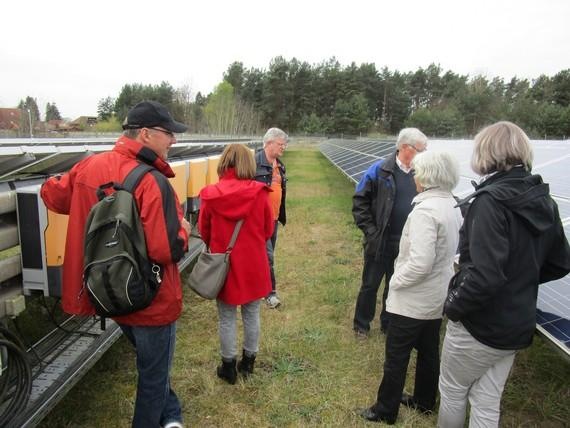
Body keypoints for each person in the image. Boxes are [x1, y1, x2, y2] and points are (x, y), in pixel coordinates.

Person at [41, 100, 191, 428]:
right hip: (152, 299)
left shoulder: (87, 168)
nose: (173, 141)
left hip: (106, 291)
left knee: (153, 365)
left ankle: (172, 418)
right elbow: (167, 249)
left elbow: (53, 197)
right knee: (153, 377)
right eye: (169, 134)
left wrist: (48, 179)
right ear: (146, 134)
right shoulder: (154, 181)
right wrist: (185, 228)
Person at [439, 121, 570, 427]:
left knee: (453, 389)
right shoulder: (543, 200)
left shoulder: (490, 202)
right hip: (517, 323)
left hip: (480, 323)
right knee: (486, 398)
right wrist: (520, 281)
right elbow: (561, 262)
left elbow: (485, 275)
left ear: (487, 152)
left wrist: (453, 306)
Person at [359, 151, 463, 424]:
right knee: (429, 351)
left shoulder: (425, 212)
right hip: (436, 295)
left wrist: (396, 281)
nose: (413, 177)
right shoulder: (452, 204)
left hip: (413, 299)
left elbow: (420, 263)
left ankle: (385, 410)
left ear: (427, 176)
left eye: (416, 173)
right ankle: (424, 400)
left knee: (396, 356)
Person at [199, 144, 274, 384]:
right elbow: (267, 230)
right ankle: (249, 362)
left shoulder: (211, 194)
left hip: (226, 264)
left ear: (224, 162)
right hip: (253, 263)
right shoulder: (260, 193)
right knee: (252, 313)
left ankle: (228, 366)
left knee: (226, 316)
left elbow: (205, 231)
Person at [352, 128, 428, 336]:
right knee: (370, 285)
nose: (424, 154)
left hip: (406, 242)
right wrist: (371, 232)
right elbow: (359, 202)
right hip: (380, 241)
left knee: (395, 286)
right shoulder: (379, 170)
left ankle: (388, 323)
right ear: (405, 147)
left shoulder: (422, 173)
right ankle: (361, 325)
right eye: (421, 150)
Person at [254, 127, 288, 309]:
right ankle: (270, 293)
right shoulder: (253, 163)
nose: (284, 147)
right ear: (268, 143)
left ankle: (258, 287)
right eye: (280, 144)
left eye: (284, 144)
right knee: (267, 256)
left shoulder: (280, 166)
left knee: (266, 255)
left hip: (273, 219)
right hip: (258, 220)